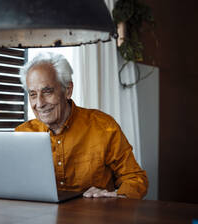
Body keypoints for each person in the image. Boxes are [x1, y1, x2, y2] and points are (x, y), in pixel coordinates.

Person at [15, 52, 148, 199]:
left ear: (68, 90)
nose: (39, 104)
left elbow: (135, 178)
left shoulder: (103, 126)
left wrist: (117, 197)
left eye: (47, 92)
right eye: (33, 94)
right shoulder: (22, 134)